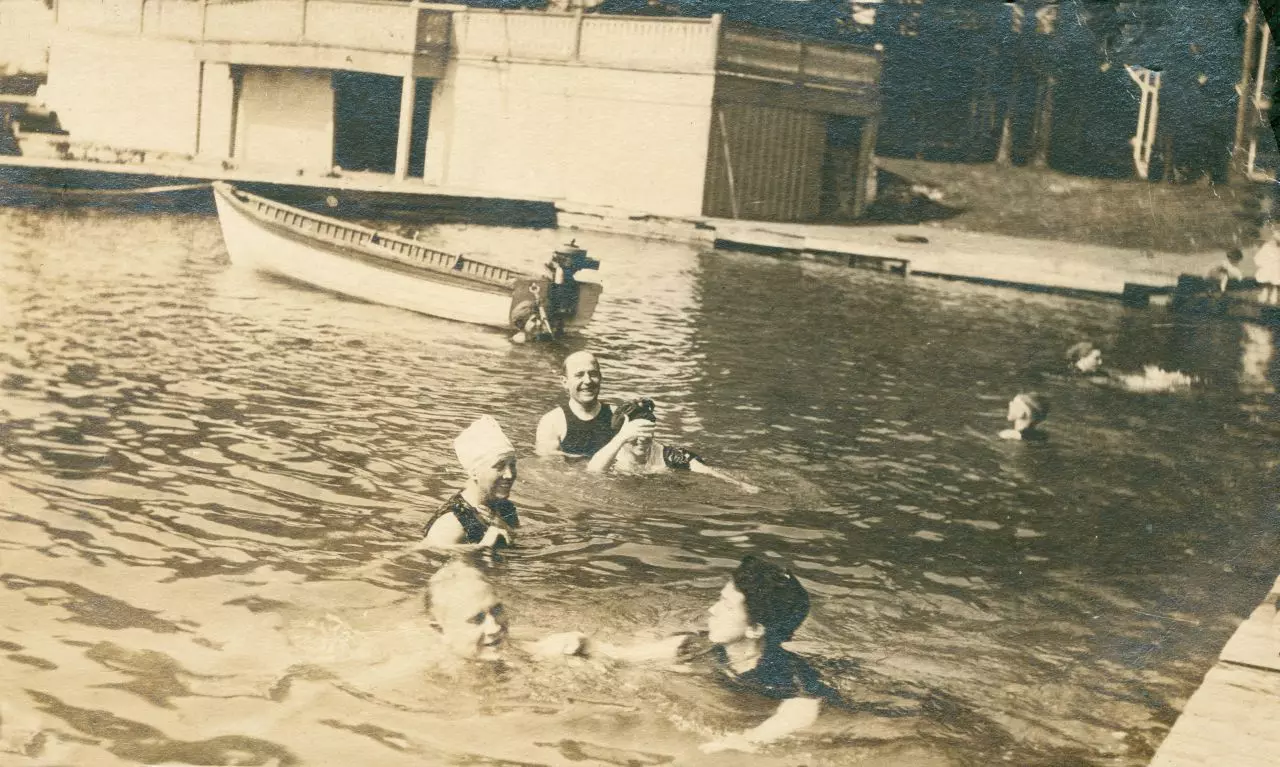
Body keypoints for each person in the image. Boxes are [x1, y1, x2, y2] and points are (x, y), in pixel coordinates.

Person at [586, 555, 840, 753]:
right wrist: (581, 646)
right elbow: (618, 656)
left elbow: (801, 712)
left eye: (727, 606)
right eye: (720, 600)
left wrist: (748, 739)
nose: (712, 610)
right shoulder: (692, 646)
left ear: (754, 629)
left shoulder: (787, 674)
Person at [426, 559, 589, 661]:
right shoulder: (423, 677)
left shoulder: (511, 643)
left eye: (497, 610)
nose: (495, 627)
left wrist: (584, 646)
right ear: (440, 630)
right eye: (477, 619)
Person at [587, 398, 759, 493]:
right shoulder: (609, 454)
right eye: (633, 436)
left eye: (646, 433)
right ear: (621, 435)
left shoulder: (671, 456)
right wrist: (623, 436)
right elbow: (592, 473)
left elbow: (711, 472)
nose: (641, 440)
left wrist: (740, 484)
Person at [421, 416, 520, 550]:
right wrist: (482, 549)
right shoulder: (452, 524)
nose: (510, 474)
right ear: (474, 472)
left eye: (512, 465)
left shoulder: (505, 507)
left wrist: (507, 530)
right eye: (499, 466)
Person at [535, 351, 642, 459]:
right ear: (564, 382)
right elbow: (548, 468)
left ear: (600, 378)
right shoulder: (552, 422)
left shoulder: (619, 416)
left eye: (593, 374)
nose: (588, 381)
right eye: (579, 375)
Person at [1254, 232, 1280, 306]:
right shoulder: (1267, 246)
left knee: (1275, 283)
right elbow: (1259, 257)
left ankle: (1272, 297)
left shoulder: (1270, 247)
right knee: (1267, 283)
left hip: (1276, 268)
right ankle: (1266, 296)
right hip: (1269, 267)